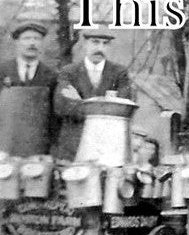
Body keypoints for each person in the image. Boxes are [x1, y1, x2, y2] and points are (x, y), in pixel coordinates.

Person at [52, 30, 134, 161]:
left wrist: (80, 101)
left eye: (105, 44)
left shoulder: (119, 73)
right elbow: (62, 106)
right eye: (95, 42)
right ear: (85, 44)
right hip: (75, 144)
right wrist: (103, 105)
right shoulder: (69, 72)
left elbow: (122, 109)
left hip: (107, 145)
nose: (100, 48)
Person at [0, 22, 58, 156]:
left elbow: (54, 116)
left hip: (37, 143)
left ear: (42, 44)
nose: (32, 43)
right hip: (4, 141)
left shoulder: (51, 75)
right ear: (16, 42)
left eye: (37, 39)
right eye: (26, 38)